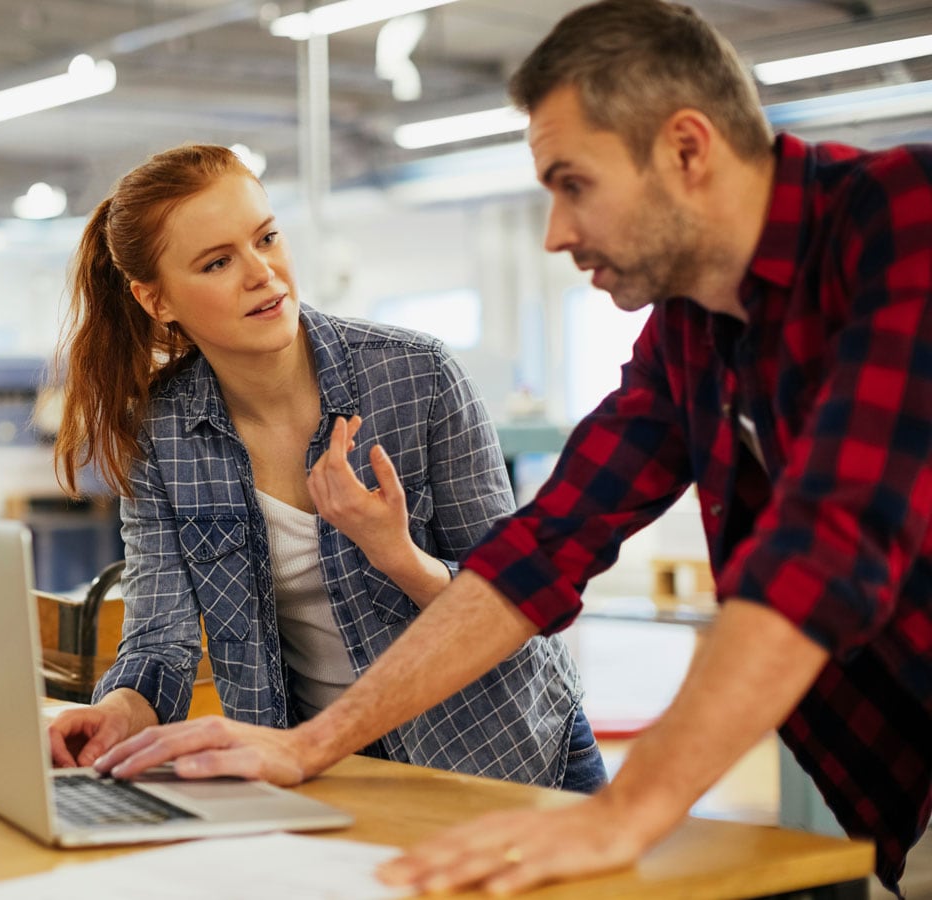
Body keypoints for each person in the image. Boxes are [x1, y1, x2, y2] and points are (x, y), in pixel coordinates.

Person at [89, 1, 932, 895]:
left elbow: (828, 543)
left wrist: (627, 809)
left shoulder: (900, 219)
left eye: (573, 185)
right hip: (891, 767)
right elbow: (544, 546)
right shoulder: (694, 327)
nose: (555, 233)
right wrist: (310, 746)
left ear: (687, 150)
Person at [46, 143, 608, 793]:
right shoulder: (162, 431)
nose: (262, 273)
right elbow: (158, 642)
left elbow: (518, 602)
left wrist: (398, 554)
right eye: (219, 262)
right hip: (329, 771)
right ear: (157, 301)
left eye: (267, 238)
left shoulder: (417, 377)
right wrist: (114, 712)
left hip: (498, 758)